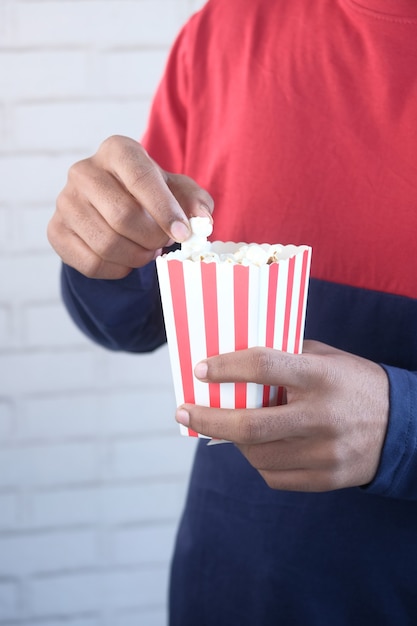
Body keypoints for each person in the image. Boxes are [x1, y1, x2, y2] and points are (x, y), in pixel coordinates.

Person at [47, 0, 417, 623]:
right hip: (230, 589)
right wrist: (105, 247)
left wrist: (401, 430)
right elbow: (131, 321)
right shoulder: (226, 28)